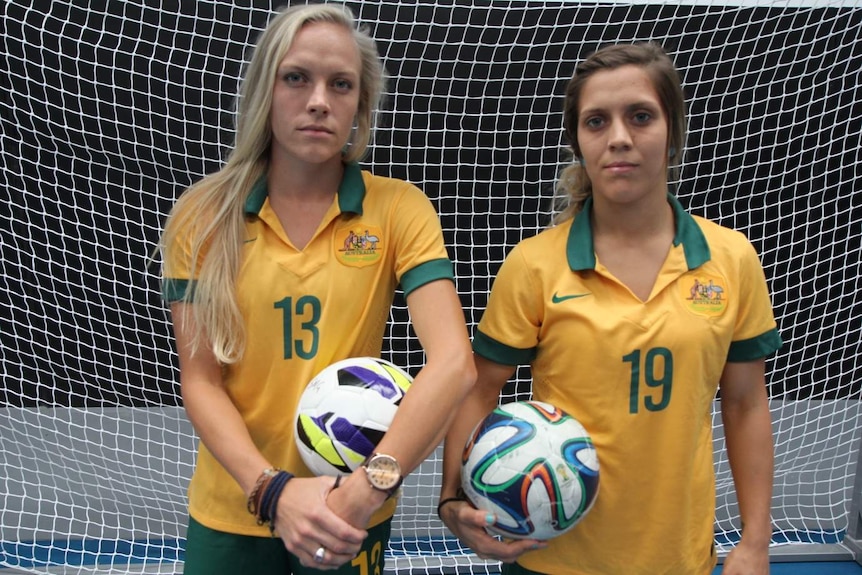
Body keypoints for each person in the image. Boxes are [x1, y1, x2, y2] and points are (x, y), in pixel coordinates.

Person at [438, 42, 782, 575]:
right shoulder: (534, 265)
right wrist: (452, 500)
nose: (619, 138)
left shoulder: (731, 259)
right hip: (549, 561)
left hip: (679, 559)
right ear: (578, 141)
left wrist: (755, 542)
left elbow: (744, 405)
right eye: (596, 121)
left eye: (640, 116)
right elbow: (481, 388)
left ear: (673, 130)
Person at [159, 4, 475, 574]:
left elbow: (454, 363)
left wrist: (367, 488)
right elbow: (202, 380)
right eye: (297, 77)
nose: (319, 100)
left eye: (342, 84)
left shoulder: (397, 208)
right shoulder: (203, 217)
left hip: (350, 511)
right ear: (266, 88)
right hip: (236, 507)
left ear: (360, 103)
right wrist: (272, 491)